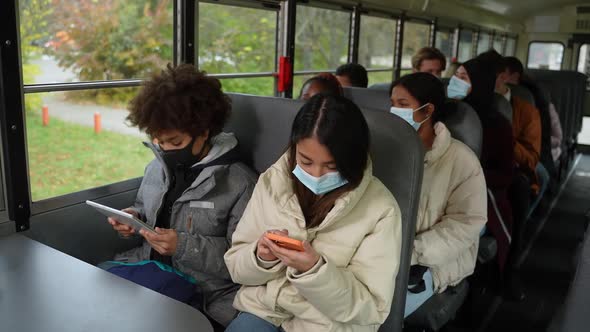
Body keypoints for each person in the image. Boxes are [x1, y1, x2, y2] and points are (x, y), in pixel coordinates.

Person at [224, 94, 402, 331]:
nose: (316, 175)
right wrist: (261, 257)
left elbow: (371, 309)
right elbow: (236, 267)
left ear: (353, 159)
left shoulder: (381, 209)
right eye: (306, 161)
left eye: (332, 166)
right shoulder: (274, 181)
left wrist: (314, 270)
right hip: (265, 311)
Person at [106, 64, 257, 326]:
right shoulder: (156, 168)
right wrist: (133, 220)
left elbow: (243, 261)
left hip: (205, 294)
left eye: (175, 143)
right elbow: (146, 209)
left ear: (204, 131)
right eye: (158, 142)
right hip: (147, 272)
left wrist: (183, 246)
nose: (165, 150)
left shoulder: (239, 182)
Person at [389, 72, 487, 317]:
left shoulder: (461, 160)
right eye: (392, 104)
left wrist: (410, 253)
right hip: (386, 255)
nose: (393, 111)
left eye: (402, 105)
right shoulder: (386, 149)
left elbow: (465, 224)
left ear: (426, 110)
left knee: (379, 313)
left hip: (432, 262)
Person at [450, 59, 519, 297]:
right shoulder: (441, 113)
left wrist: (469, 177)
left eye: (464, 78)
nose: (455, 82)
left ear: (479, 84)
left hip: (481, 192)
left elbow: (505, 174)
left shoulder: (497, 124)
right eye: (456, 75)